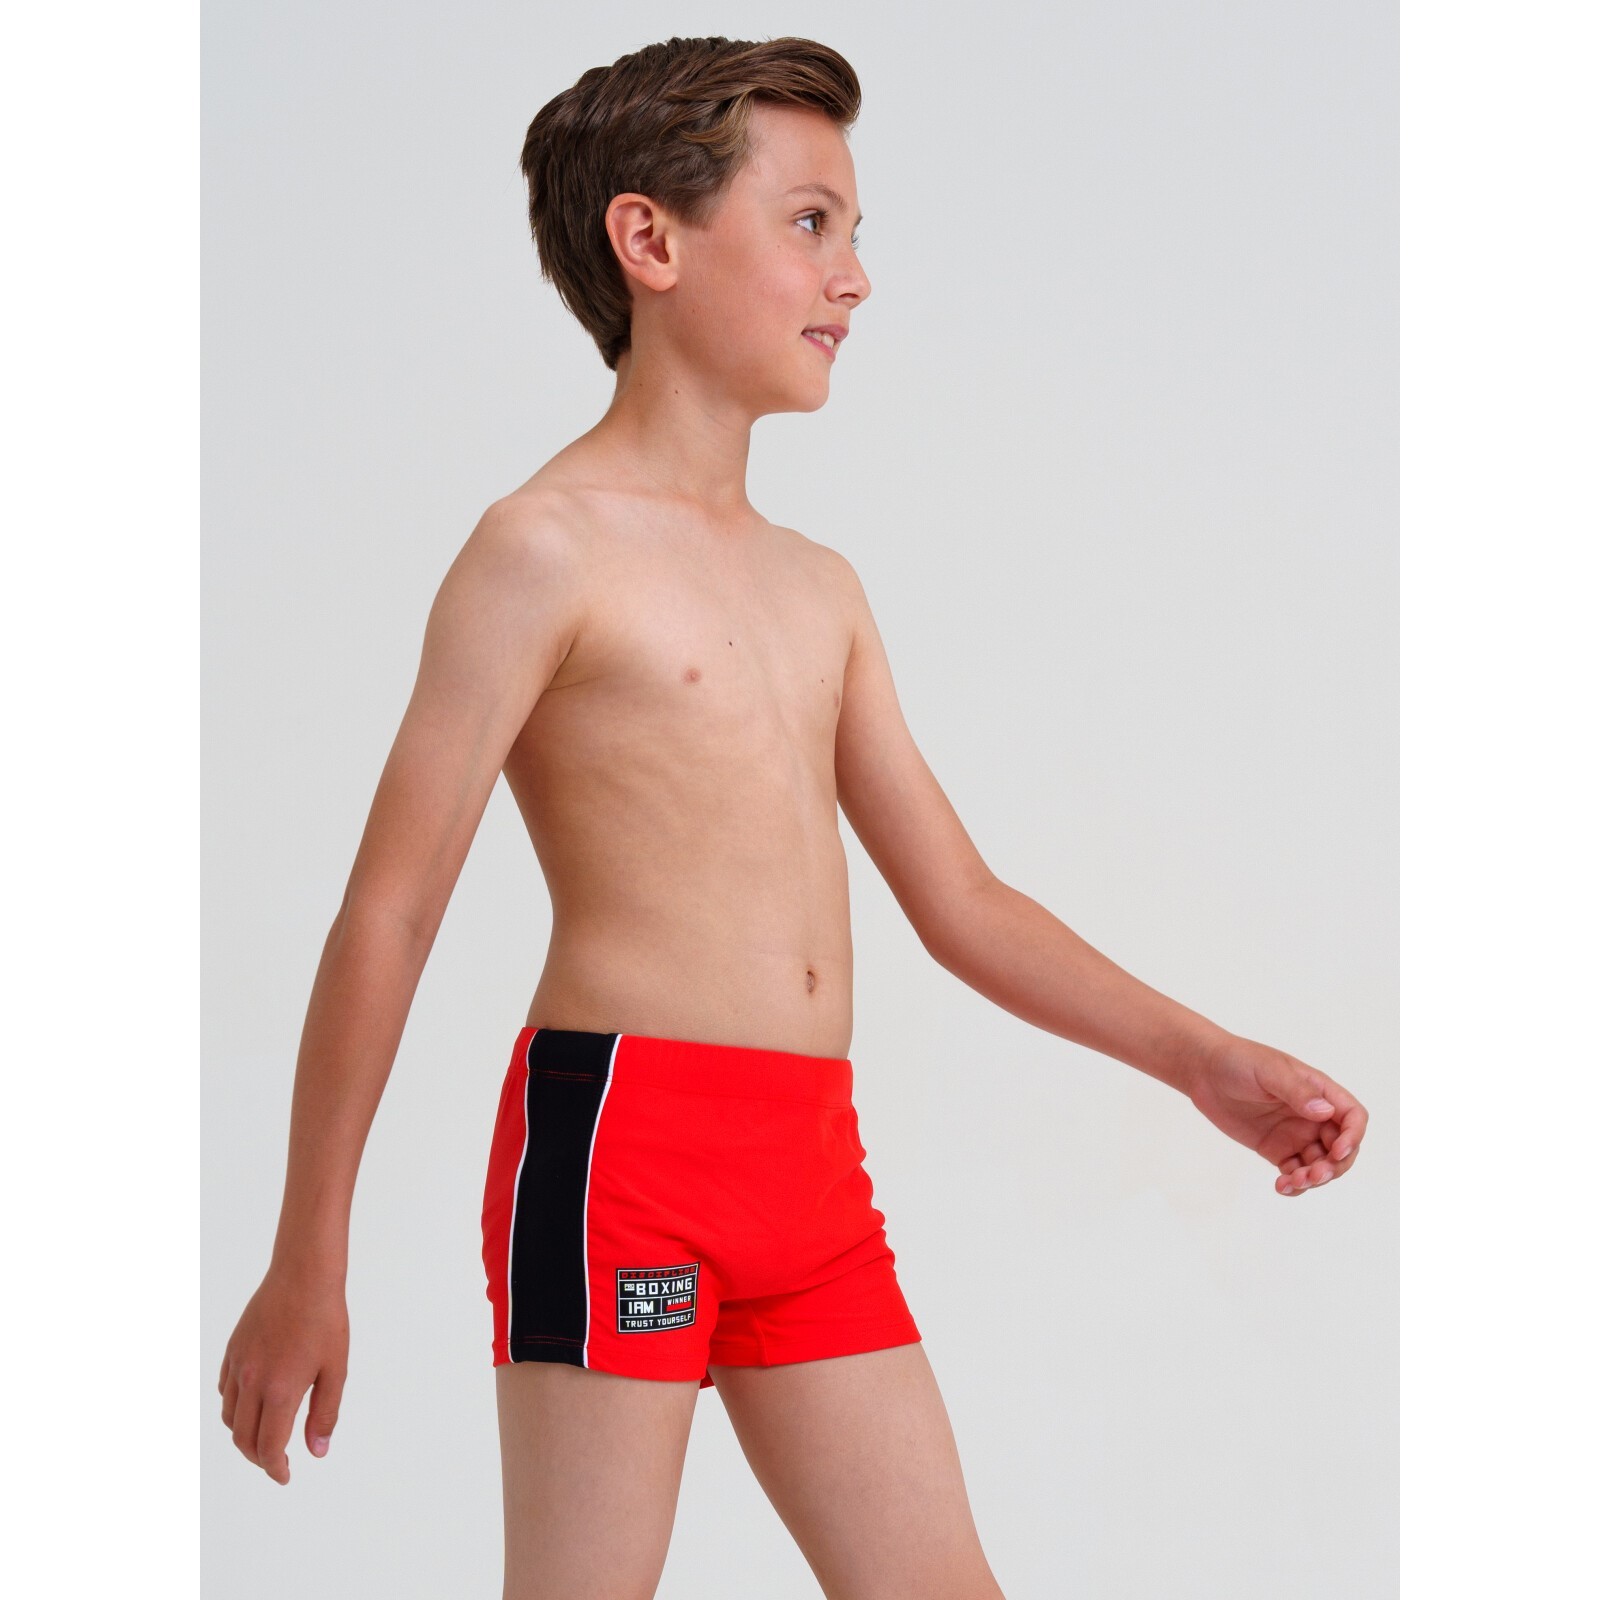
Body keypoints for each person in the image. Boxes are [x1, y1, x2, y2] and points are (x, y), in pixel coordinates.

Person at [216, 34, 1367, 1599]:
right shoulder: (542, 552)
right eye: (812, 222)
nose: (855, 276)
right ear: (651, 241)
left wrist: (1203, 1062)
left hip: (810, 1166)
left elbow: (963, 901)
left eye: (856, 232)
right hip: (622, 1146)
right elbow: (392, 910)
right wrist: (309, 1253)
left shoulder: (819, 589)